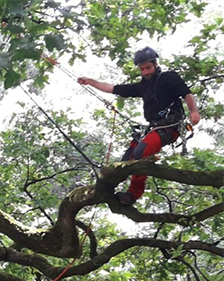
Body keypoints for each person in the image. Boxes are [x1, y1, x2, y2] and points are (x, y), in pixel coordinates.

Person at [78, 47, 201, 205]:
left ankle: (133, 194)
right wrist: (90, 81)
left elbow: (187, 93)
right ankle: (105, 188)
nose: (145, 72)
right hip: (153, 127)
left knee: (141, 152)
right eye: (142, 69)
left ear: (155, 64)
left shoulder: (169, 77)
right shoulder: (142, 87)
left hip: (171, 126)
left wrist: (194, 111)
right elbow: (112, 88)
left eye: (148, 68)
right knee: (126, 159)